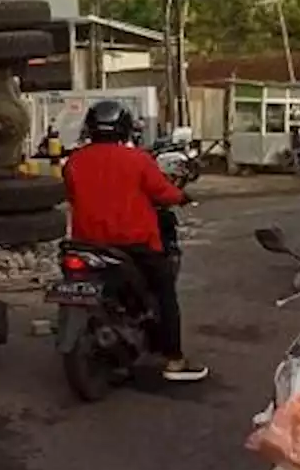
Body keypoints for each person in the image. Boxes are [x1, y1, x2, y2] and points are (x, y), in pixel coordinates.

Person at [63, 99, 209, 383]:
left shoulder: (74, 162)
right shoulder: (138, 160)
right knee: (165, 290)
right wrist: (182, 197)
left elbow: (72, 195)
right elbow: (162, 193)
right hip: (134, 244)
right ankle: (175, 360)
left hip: (86, 243)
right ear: (125, 129)